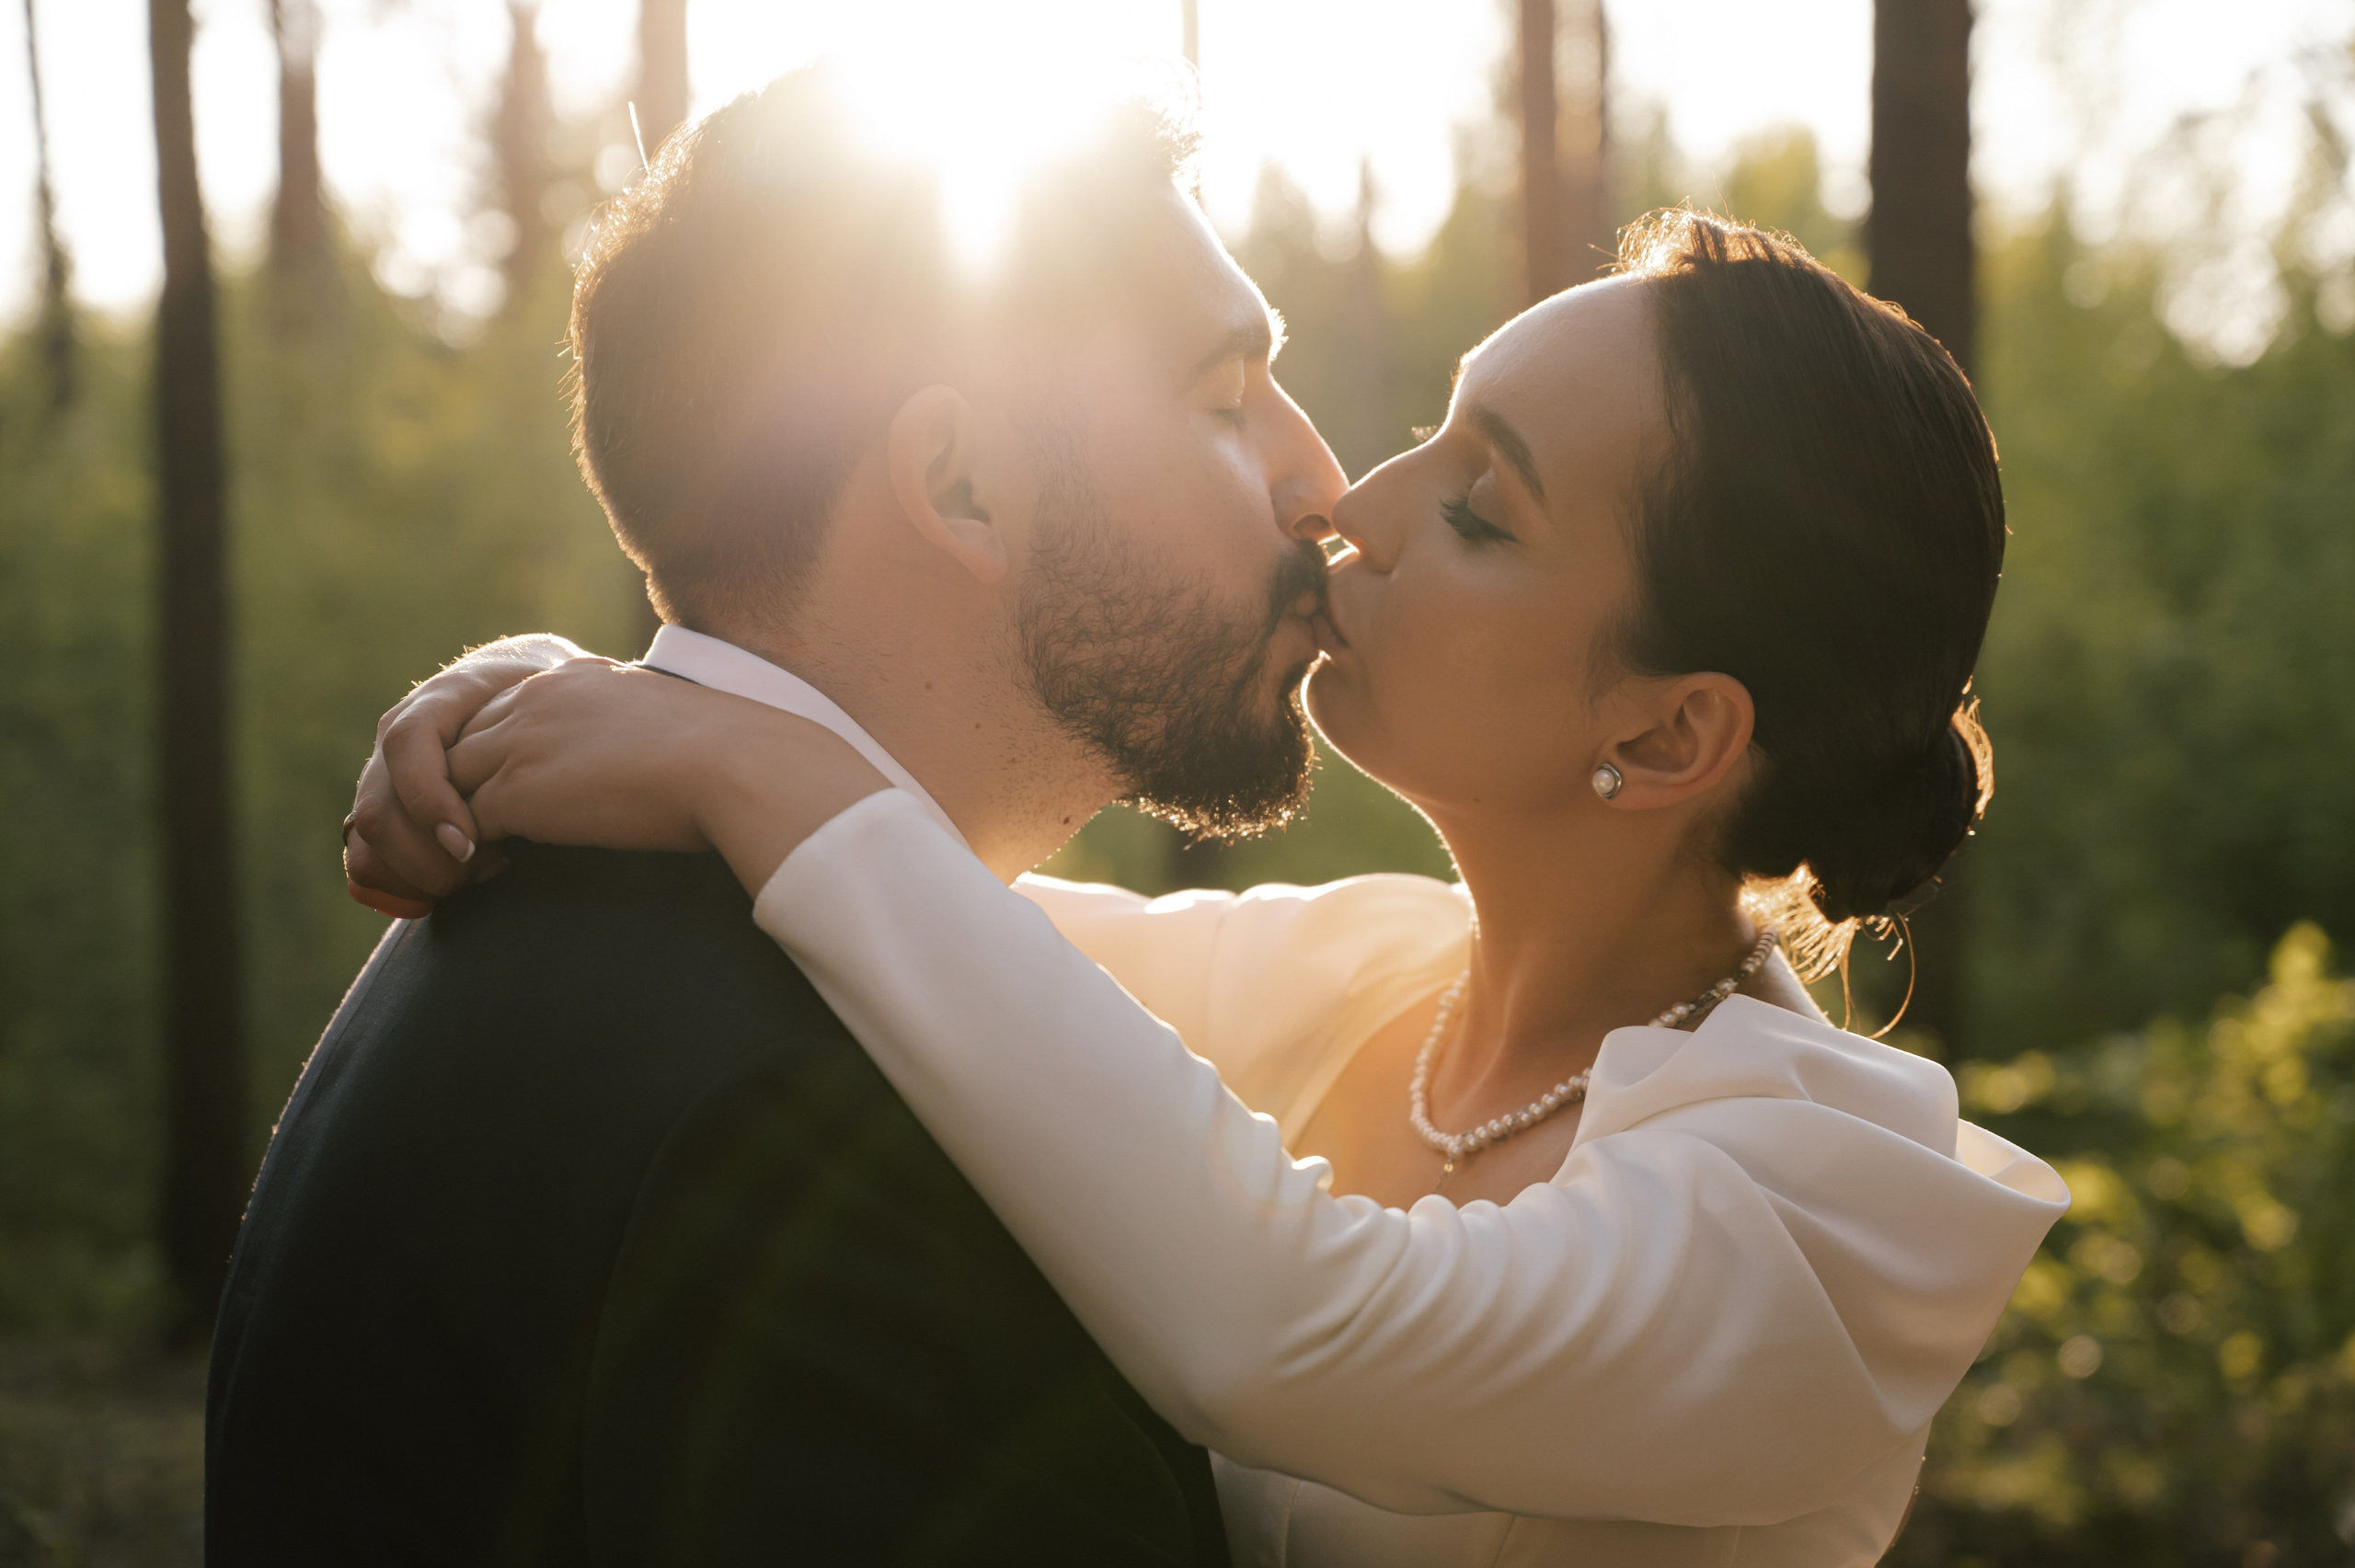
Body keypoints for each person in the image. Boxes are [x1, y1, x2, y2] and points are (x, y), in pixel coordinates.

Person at [346, 189, 2069, 1567]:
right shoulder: (1361, 978)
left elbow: (1289, 1322)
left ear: (1673, 730)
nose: (1352, 501)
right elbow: (913, 928)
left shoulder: (1831, 1209)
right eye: (1428, 431)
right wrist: (550, 694)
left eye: (1482, 507)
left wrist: (738, 754)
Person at [205, 67, 1340, 1566]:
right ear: (962, 484)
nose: (1322, 480)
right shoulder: (805, 1134)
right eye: (1224, 398)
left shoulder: (543, 918)